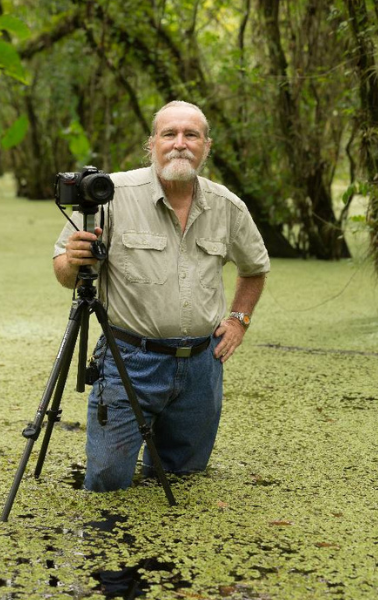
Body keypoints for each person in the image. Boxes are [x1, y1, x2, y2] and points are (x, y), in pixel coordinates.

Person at [52, 100, 270, 492]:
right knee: (106, 483)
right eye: (169, 134)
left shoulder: (228, 206)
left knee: (184, 481)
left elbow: (254, 269)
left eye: (191, 135)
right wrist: (72, 259)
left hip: (202, 368)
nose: (180, 144)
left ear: (207, 145)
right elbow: (65, 275)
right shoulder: (110, 195)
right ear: (151, 144)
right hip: (129, 362)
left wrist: (239, 320)